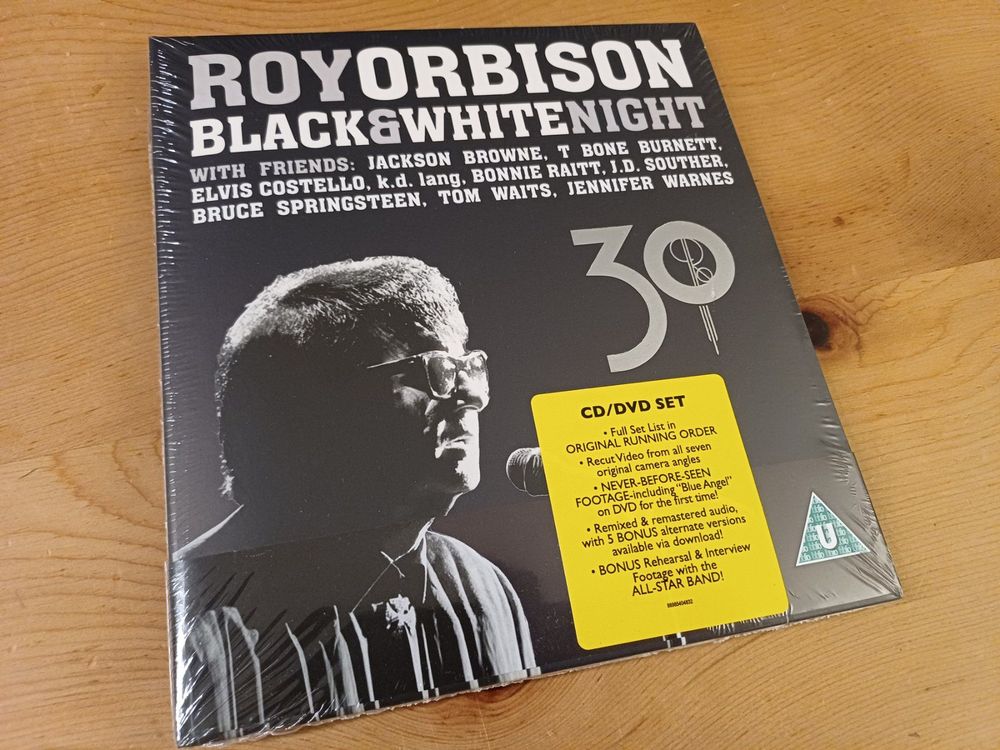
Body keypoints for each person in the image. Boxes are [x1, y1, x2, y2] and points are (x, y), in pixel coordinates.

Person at [171, 256, 536, 746]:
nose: (470, 396)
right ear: (310, 412)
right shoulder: (193, 626)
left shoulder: (483, 585)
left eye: (466, 368)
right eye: (433, 369)